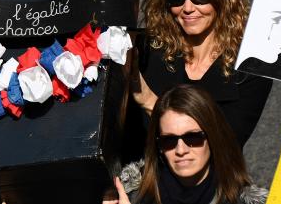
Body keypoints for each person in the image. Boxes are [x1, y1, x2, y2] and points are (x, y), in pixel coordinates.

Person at [129, 0, 272, 150]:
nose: (187, 8)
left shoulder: (250, 68)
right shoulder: (148, 51)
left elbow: (222, 148)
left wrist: (150, 101)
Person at [109, 85, 266, 204]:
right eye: (169, 140)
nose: (181, 150)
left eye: (193, 138)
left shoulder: (242, 200)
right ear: (158, 145)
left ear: (212, 137)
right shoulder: (129, 196)